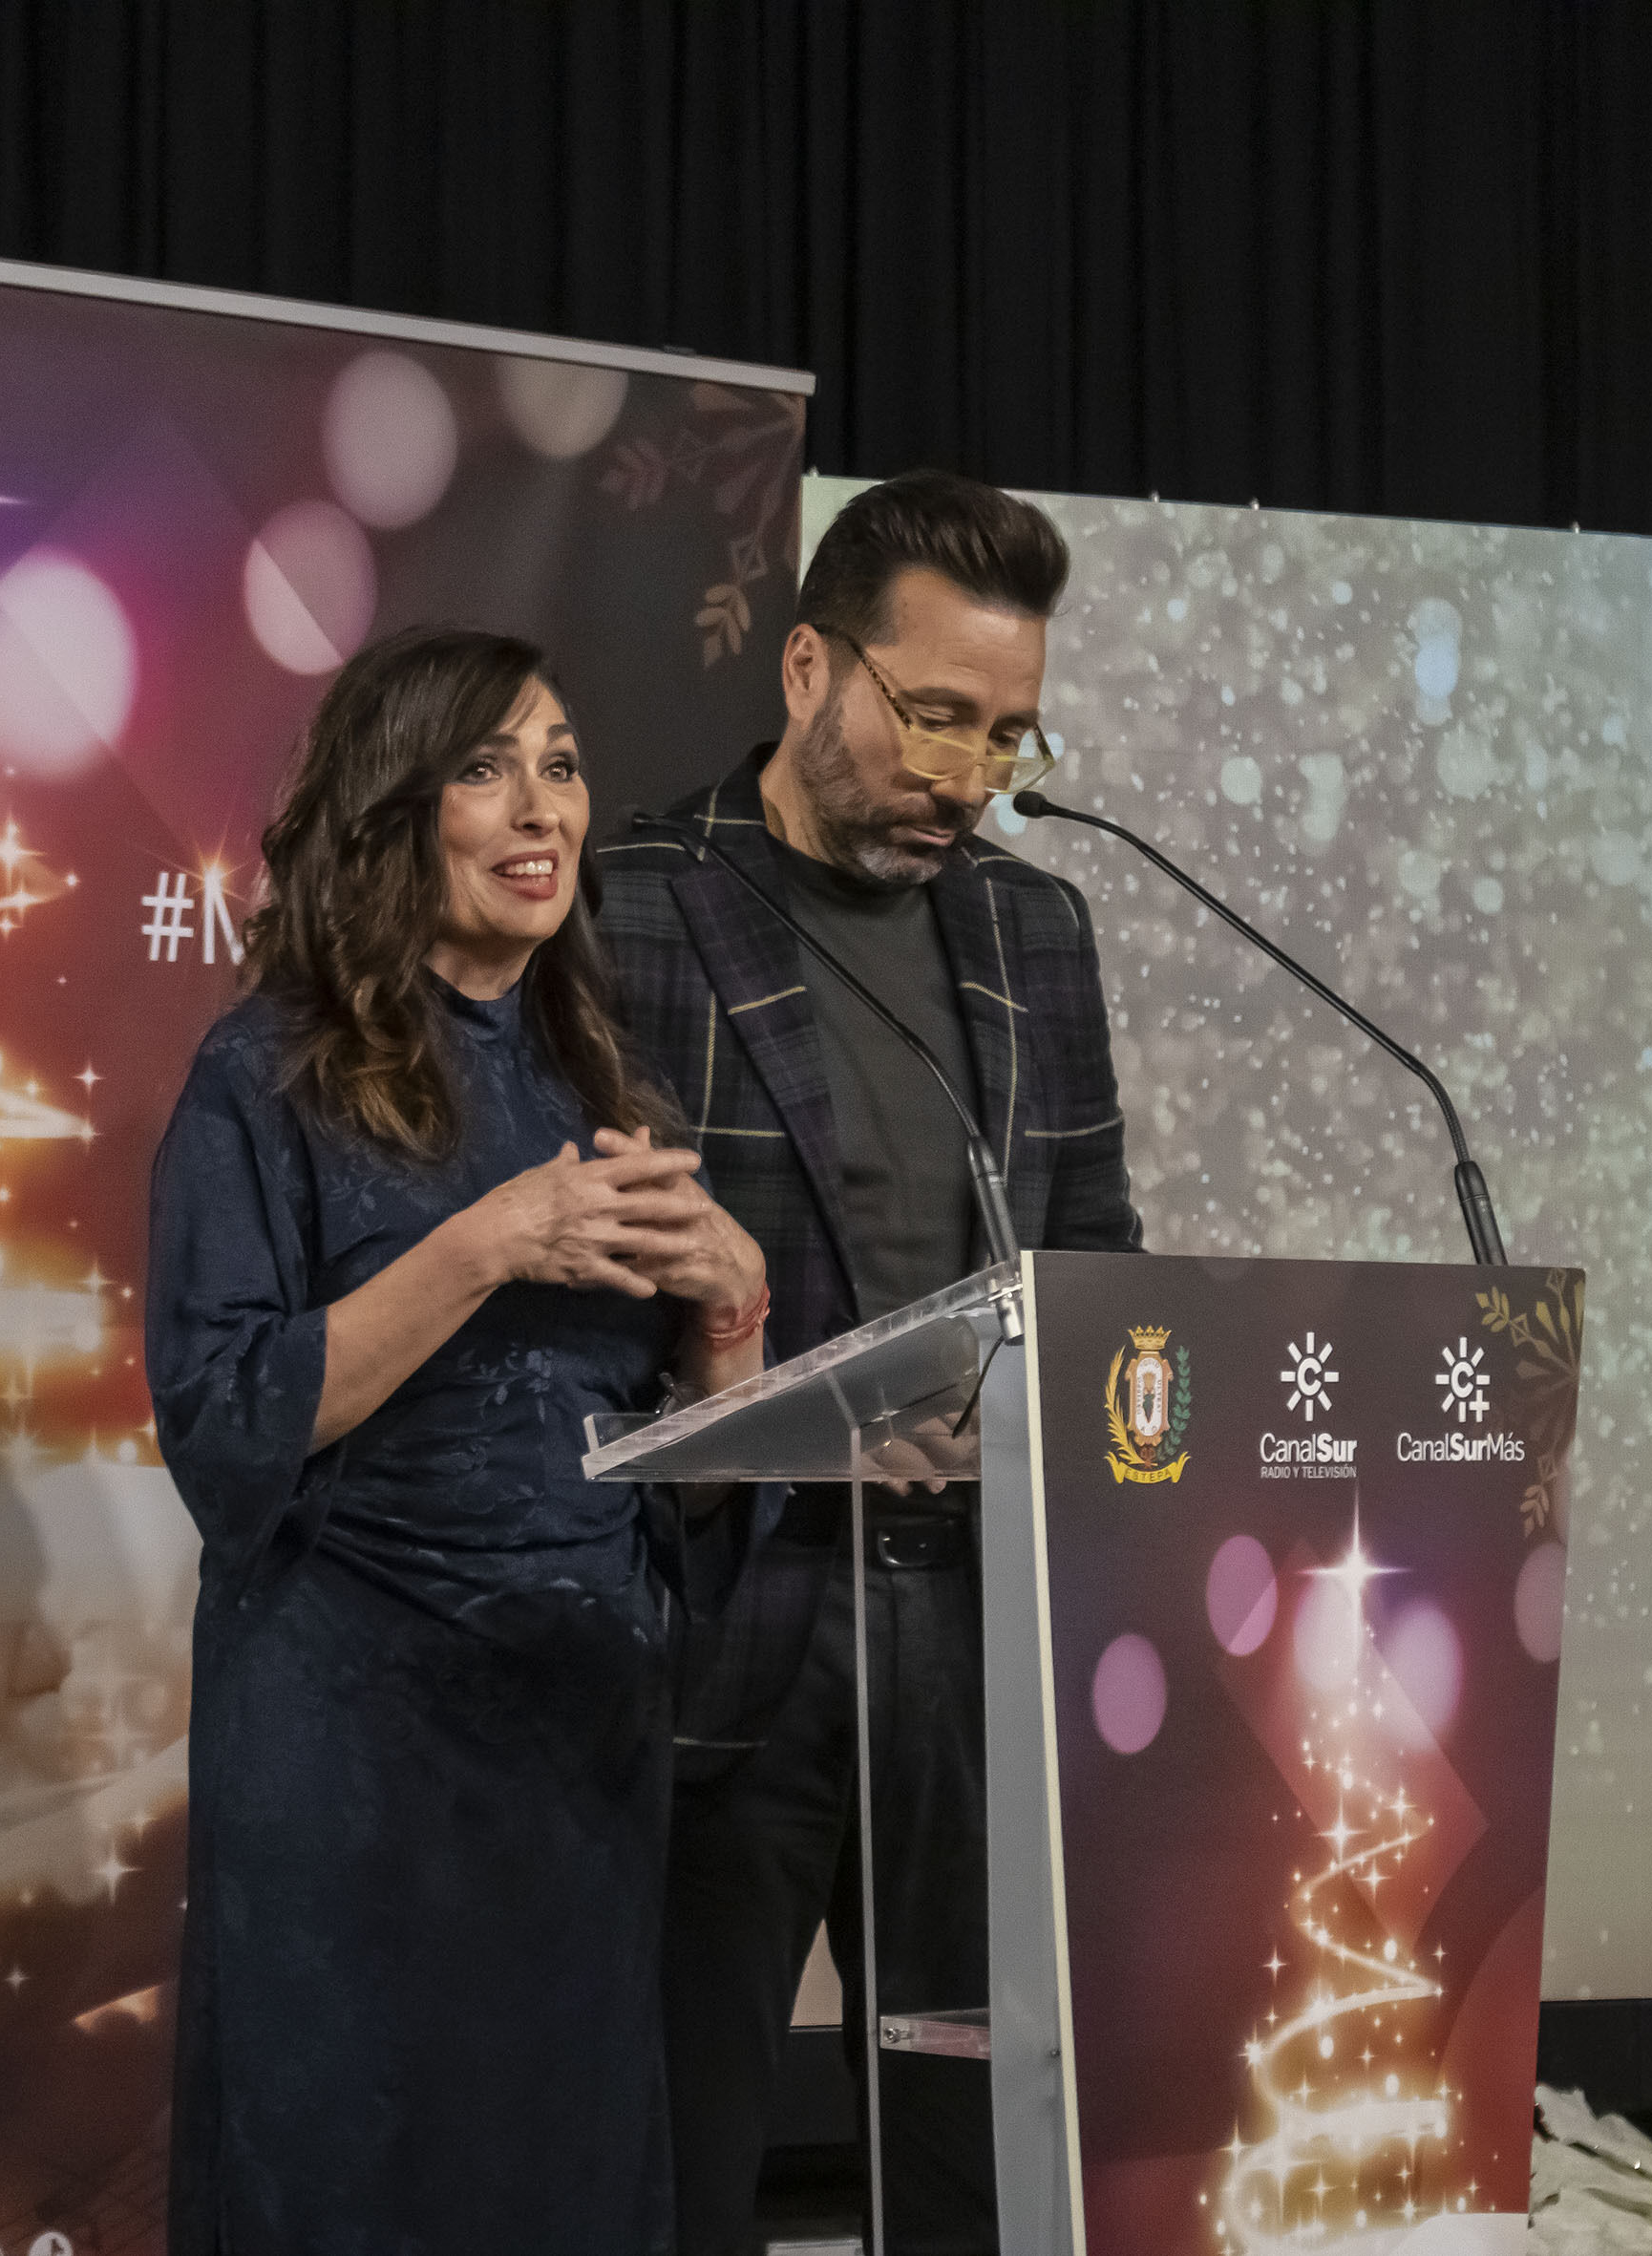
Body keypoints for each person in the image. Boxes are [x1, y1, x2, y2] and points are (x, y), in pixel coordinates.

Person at [144, 625, 772, 2252]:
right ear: (394, 805)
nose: (542, 807)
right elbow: (226, 1420)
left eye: (561, 764)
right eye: (488, 769)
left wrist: (732, 1320)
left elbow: (682, 1487)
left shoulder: (608, 1085)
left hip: (577, 1761)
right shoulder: (264, 1072)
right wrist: (487, 1244)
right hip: (352, 1770)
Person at [595, 470, 1142, 2255]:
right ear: (809, 667)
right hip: (735, 1615)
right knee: (681, 2149)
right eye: (933, 714)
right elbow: (571, 1306)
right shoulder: (631, 903)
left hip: (972, 1632)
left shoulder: (1035, 931)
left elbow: (1098, 1251)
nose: (969, 774)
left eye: (1007, 733)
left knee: (972, 2160)